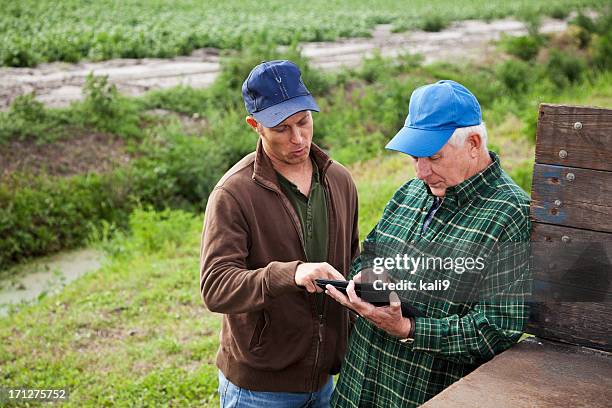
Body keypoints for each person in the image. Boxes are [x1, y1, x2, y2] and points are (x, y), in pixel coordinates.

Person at [326, 80, 532, 407]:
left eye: (433, 157)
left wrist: (408, 328)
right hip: (357, 389)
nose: (422, 172)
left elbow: (496, 329)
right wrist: (368, 279)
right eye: (415, 158)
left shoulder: (511, 216)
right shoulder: (408, 193)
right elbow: (368, 256)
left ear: (474, 143)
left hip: (421, 396)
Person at [200, 60, 359, 408]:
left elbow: (352, 258)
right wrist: (292, 273)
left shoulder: (340, 181)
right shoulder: (233, 194)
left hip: (325, 382)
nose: (298, 138)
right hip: (258, 391)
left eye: (303, 121)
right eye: (282, 129)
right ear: (255, 126)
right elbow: (215, 288)